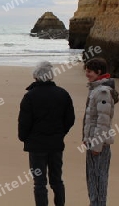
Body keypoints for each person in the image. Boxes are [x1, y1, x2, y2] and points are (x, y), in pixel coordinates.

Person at [18, 61, 75, 206]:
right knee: (57, 180)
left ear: (35, 76)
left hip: (37, 146)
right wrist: (61, 133)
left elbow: (24, 122)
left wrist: (24, 137)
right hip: (56, 144)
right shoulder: (63, 94)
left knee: (39, 182)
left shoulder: (30, 96)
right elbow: (69, 119)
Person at [83, 57, 119, 206]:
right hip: (92, 141)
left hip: (100, 144)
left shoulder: (103, 92)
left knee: (99, 178)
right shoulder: (96, 89)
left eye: (89, 71)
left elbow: (102, 122)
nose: (87, 74)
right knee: (92, 178)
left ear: (99, 72)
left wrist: (96, 145)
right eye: (86, 70)